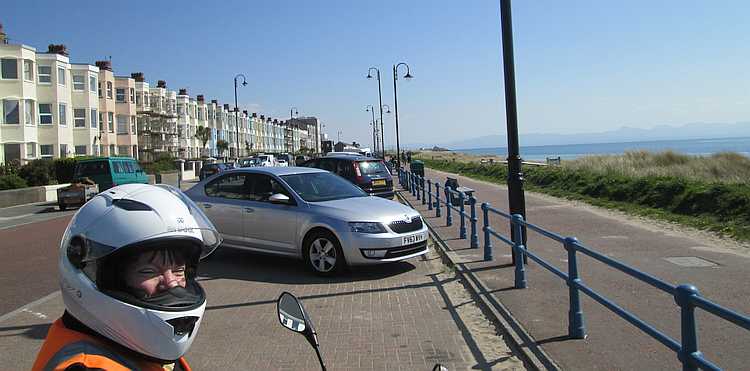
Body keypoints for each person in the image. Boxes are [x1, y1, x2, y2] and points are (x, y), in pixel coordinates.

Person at [33, 184, 221, 371]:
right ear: (103, 275)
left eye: (179, 270)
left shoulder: (135, 345)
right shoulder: (84, 366)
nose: (172, 283)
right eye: (149, 272)